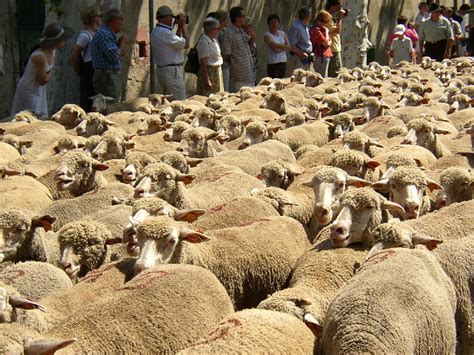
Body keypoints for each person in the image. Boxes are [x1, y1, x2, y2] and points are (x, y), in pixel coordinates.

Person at [10, 23, 74, 118]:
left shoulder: (53, 52)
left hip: (38, 90)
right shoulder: (39, 56)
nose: (64, 41)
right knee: (28, 118)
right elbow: (43, 80)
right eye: (62, 39)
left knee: (40, 118)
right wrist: (52, 70)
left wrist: (49, 71)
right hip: (29, 90)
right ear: (56, 41)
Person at [151, 6, 189, 101]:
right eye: (171, 17)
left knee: (171, 100)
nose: (172, 20)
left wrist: (179, 28)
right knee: (180, 101)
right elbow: (186, 44)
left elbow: (175, 42)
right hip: (171, 71)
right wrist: (183, 27)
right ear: (166, 17)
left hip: (167, 70)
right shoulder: (165, 33)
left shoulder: (158, 31)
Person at [90, 8, 127, 103]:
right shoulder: (104, 34)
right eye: (121, 19)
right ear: (114, 20)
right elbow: (114, 56)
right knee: (110, 107)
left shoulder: (109, 35)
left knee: (114, 106)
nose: (122, 23)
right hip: (106, 77)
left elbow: (119, 54)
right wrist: (122, 43)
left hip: (109, 76)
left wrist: (119, 46)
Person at [70, 6, 101, 112]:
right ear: (93, 18)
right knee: (88, 98)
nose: (101, 18)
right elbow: (74, 55)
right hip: (88, 69)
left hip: (96, 68)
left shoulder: (96, 33)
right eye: (99, 16)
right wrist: (79, 71)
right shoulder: (85, 35)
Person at [221, 6, 255, 92]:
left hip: (249, 74)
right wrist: (235, 63)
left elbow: (250, 43)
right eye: (243, 16)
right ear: (237, 18)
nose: (245, 18)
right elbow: (225, 54)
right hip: (240, 76)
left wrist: (252, 34)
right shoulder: (229, 33)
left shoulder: (240, 30)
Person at [196, 17, 224, 96]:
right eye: (218, 28)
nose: (219, 31)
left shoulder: (214, 40)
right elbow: (203, 63)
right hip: (210, 72)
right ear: (212, 29)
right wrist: (206, 80)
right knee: (209, 96)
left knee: (218, 96)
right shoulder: (204, 41)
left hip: (216, 71)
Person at [287, 6, 313, 76]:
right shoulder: (296, 27)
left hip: (305, 58)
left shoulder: (305, 26)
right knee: (297, 80)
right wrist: (301, 53)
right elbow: (291, 45)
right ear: (308, 16)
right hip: (298, 58)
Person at [263, 14, 290, 79]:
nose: (274, 24)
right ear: (268, 24)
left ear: (279, 23)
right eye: (272, 23)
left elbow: (289, 47)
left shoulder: (282, 33)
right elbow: (275, 49)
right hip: (273, 64)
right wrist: (284, 47)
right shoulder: (267, 35)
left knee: (281, 82)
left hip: (283, 62)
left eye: (276, 22)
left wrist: (278, 46)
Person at [325, 0, 347, 78]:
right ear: (332, 6)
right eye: (338, 7)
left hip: (334, 47)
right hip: (333, 49)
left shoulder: (330, 17)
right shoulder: (326, 17)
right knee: (336, 74)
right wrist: (340, 18)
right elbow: (337, 31)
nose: (339, 9)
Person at [310, 11, 333, 78]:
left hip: (325, 55)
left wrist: (328, 42)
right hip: (320, 56)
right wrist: (326, 32)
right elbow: (325, 42)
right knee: (322, 76)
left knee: (325, 75)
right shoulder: (316, 29)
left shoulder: (321, 29)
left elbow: (330, 41)